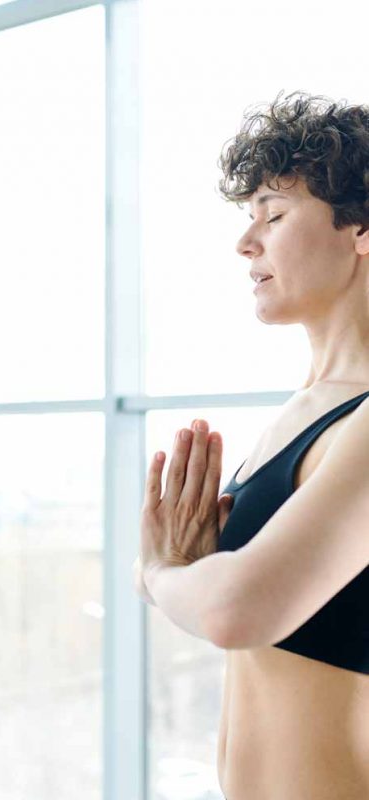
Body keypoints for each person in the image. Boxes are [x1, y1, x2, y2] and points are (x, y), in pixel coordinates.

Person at [136, 90, 369, 799]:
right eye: (248, 219)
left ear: (359, 228)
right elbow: (213, 587)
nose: (247, 242)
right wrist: (178, 569)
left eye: (274, 214)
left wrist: (157, 574)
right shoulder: (305, 412)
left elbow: (237, 610)